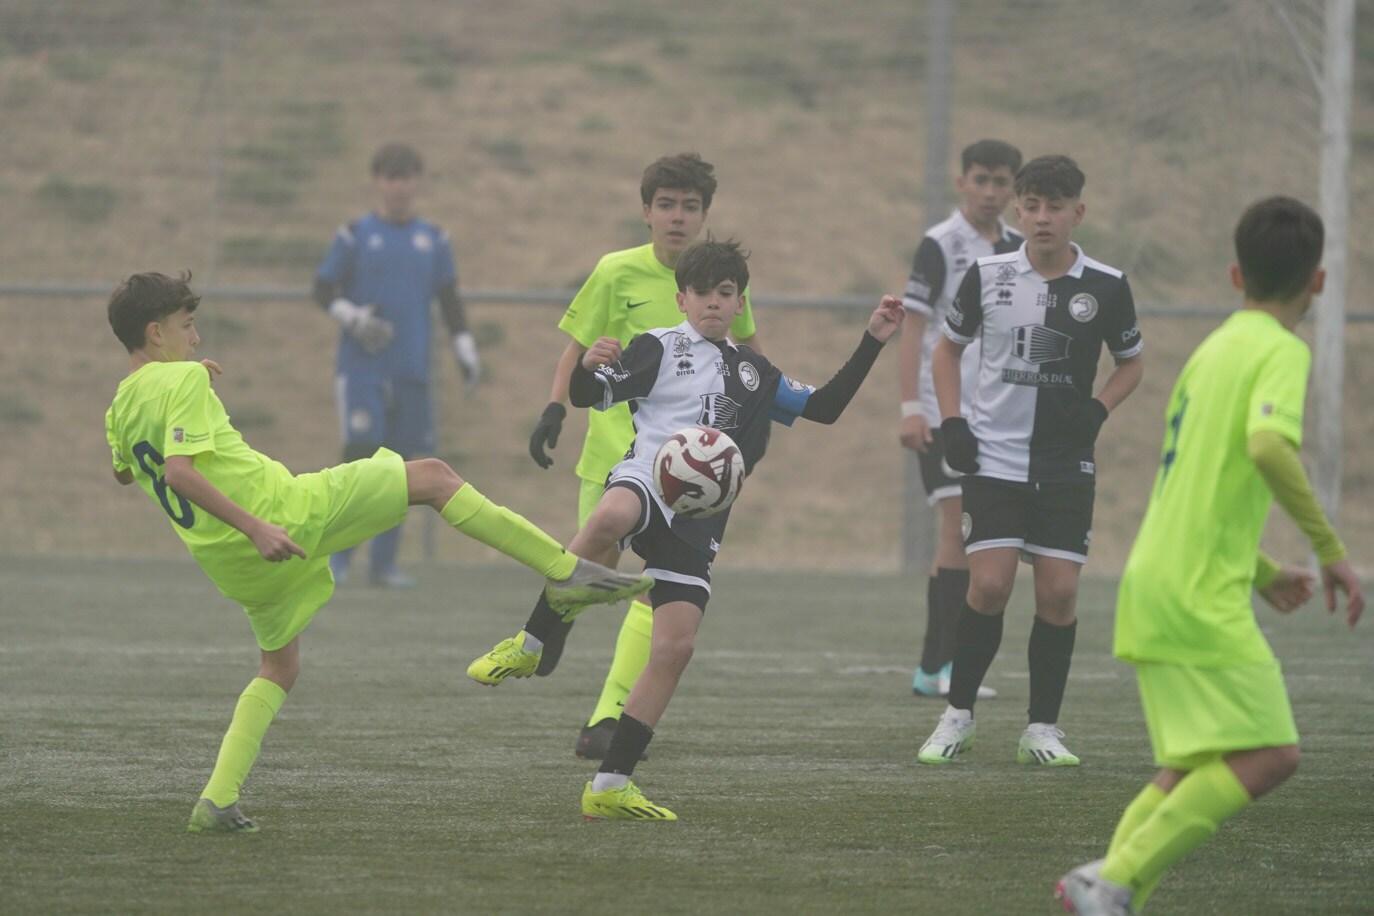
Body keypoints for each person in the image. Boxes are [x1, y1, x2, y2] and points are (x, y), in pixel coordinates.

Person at [103, 271, 651, 834]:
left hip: (232, 567)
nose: (195, 340)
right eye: (187, 328)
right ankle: (567, 571)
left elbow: (128, 472)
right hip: (282, 516)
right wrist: (256, 525)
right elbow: (180, 472)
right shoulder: (185, 381)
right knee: (435, 478)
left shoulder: (120, 406)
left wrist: (187, 397)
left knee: (279, 667)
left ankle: (216, 800)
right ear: (155, 332)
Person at [469, 239, 904, 820]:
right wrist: (586, 365)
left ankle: (610, 786)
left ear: (740, 302)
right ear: (682, 297)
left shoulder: (755, 372)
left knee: (675, 649)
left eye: (727, 294)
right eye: (703, 293)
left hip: (699, 519)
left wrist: (873, 339)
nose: (715, 303)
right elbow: (584, 395)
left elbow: (824, 407)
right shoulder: (656, 348)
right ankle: (531, 642)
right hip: (647, 478)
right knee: (609, 517)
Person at [1056, 197, 1364, 914]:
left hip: (1158, 578)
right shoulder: (1283, 350)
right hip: (1197, 593)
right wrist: (1330, 551)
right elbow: (1265, 446)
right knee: (1270, 754)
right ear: (1317, 283)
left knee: (1190, 766)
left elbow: (1197, 482)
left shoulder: (1213, 349)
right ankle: (1110, 881)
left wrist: (1261, 571)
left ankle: (1104, 892)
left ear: (1235, 275)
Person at [525, 153, 763, 761]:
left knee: (648, 592)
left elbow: (752, 357)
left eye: (690, 207)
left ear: (705, 215)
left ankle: (606, 716)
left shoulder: (719, 280)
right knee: (585, 569)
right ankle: (557, 619)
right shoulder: (616, 272)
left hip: (684, 480)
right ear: (646, 212)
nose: (677, 218)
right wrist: (555, 409)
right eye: (666, 205)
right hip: (615, 461)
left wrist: (743, 440)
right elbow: (576, 351)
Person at [916, 155, 1145, 767]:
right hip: (994, 457)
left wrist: (1098, 410)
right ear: (1020, 211)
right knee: (989, 585)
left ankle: (1041, 728)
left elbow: (1132, 364)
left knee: (1060, 595)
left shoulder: (1106, 284)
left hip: (1066, 466)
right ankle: (957, 714)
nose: (1044, 218)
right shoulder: (987, 275)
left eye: (1057, 206)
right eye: (1033, 206)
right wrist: (954, 421)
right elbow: (946, 352)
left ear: (1078, 212)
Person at [313, 142, 482, 588]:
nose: (399, 186)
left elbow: (449, 300)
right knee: (361, 458)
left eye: (407, 177)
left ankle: (383, 565)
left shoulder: (434, 240)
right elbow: (323, 288)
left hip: (412, 371)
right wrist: (351, 316)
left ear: (418, 182)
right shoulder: (354, 235)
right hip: (362, 368)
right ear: (376, 182)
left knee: (403, 468)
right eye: (390, 177)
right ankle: (336, 558)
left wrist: (465, 348)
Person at [899, 138, 1023, 700]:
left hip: (1000, 418)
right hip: (945, 413)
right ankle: (939, 667)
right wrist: (912, 407)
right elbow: (915, 330)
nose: (991, 192)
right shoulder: (941, 245)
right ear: (962, 182)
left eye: (1001, 182)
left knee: (983, 540)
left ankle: (939, 667)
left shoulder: (1021, 248)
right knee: (957, 531)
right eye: (982, 179)